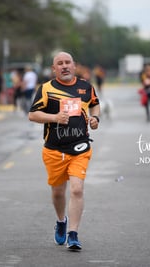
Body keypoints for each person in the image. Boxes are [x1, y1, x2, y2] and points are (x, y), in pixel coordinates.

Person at [28, 51, 100, 250]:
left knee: (77, 189)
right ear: (54, 69)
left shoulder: (86, 87)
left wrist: (95, 119)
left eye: (67, 62)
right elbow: (32, 115)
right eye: (60, 63)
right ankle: (61, 221)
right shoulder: (46, 89)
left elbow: (95, 105)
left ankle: (73, 234)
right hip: (54, 150)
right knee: (58, 192)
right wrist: (54, 118)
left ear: (74, 65)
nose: (64, 66)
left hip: (80, 147)